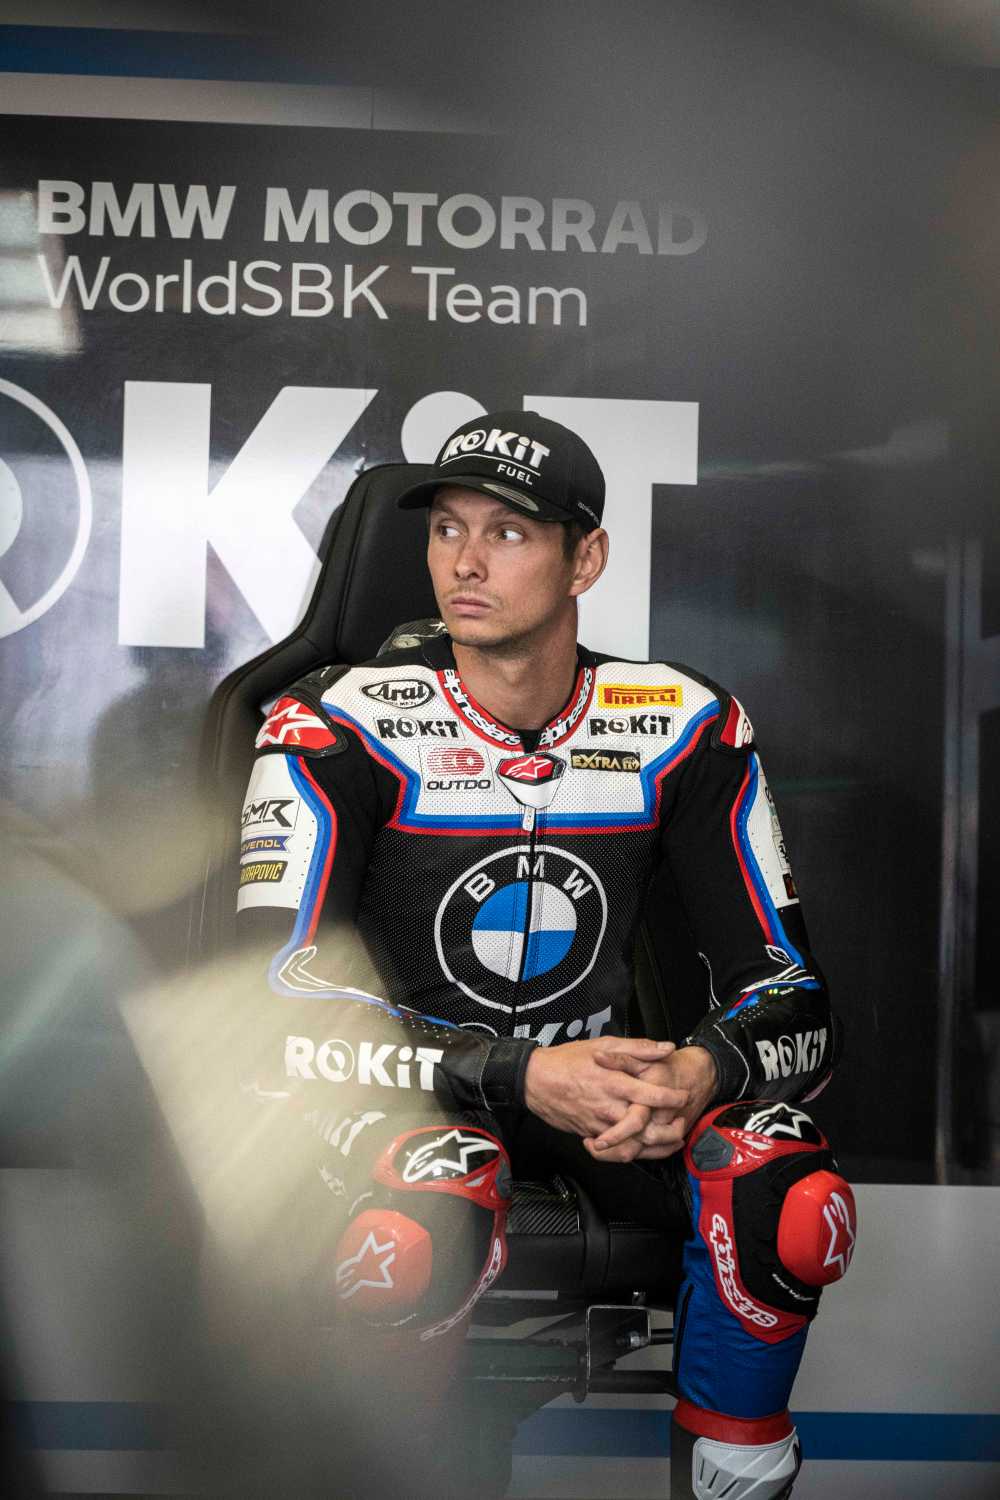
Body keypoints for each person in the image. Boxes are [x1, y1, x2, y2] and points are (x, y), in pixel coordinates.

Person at [236, 410, 856, 1499]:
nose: (464, 563)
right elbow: (274, 1007)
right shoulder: (331, 726)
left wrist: (700, 1070)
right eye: (447, 529)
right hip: (394, 1102)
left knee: (783, 1183)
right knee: (433, 1191)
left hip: (602, 1112)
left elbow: (793, 994)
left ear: (587, 559)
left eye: (509, 533)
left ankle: (731, 1474)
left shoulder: (683, 723)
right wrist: (521, 1074)